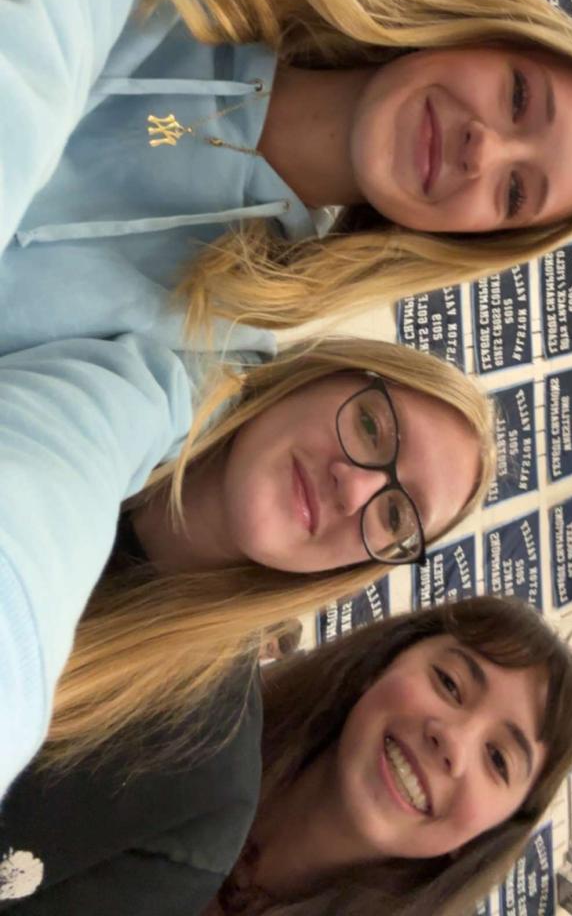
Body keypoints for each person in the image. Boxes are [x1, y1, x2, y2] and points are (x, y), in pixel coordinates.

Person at [0, 0, 572, 359]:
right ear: (475, 32)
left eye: (515, 192)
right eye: (519, 99)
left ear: (471, 239)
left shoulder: (225, 340)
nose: (485, 150)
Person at [0, 332, 494, 797]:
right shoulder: (100, 346)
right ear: (322, 374)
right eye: (370, 428)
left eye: (395, 516)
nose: (355, 489)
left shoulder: (201, 777)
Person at [0, 596, 572, 916]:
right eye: (449, 682)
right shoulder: (178, 705)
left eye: (498, 760)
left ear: (490, 833)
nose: (453, 740)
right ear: (383, 664)